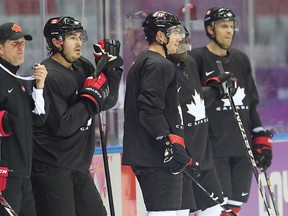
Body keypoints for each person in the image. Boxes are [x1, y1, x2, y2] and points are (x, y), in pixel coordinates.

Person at [31, 16, 123, 216]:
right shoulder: (50, 76)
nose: (79, 42)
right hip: (51, 167)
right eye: (72, 37)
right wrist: (89, 100)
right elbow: (63, 125)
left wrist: (110, 70)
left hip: (77, 165)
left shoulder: (83, 66)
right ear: (56, 42)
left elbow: (106, 101)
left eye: (80, 36)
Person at [189, 7, 273, 215]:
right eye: (224, 26)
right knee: (215, 209)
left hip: (242, 149)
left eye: (232, 26)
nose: (230, 31)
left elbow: (251, 104)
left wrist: (260, 139)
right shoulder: (195, 59)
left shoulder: (241, 59)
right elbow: (190, 102)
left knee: (235, 206)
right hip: (213, 149)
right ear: (210, 29)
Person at [122, 11, 200, 216]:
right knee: (163, 213)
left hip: (158, 155)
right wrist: (170, 144)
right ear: (160, 36)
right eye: (174, 32)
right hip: (156, 156)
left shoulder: (149, 62)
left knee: (177, 212)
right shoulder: (158, 64)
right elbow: (149, 110)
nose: (180, 37)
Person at [169, 26, 233, 216]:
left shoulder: (189, 62)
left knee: (213, 208)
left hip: (202, 153)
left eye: (185, 41)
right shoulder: (161, 67)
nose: (182, 47)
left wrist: (215, 89)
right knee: (180, 211)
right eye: (177, 41)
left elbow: (194, 98)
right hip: (180, 155)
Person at [0, 22, 48, 215]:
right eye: (14, 44)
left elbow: (38, 119)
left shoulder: (16, 79)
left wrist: (39, 86)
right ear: (0, 49)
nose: (21, 47)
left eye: (22, 43)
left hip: (23, 173)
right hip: (5, 175)